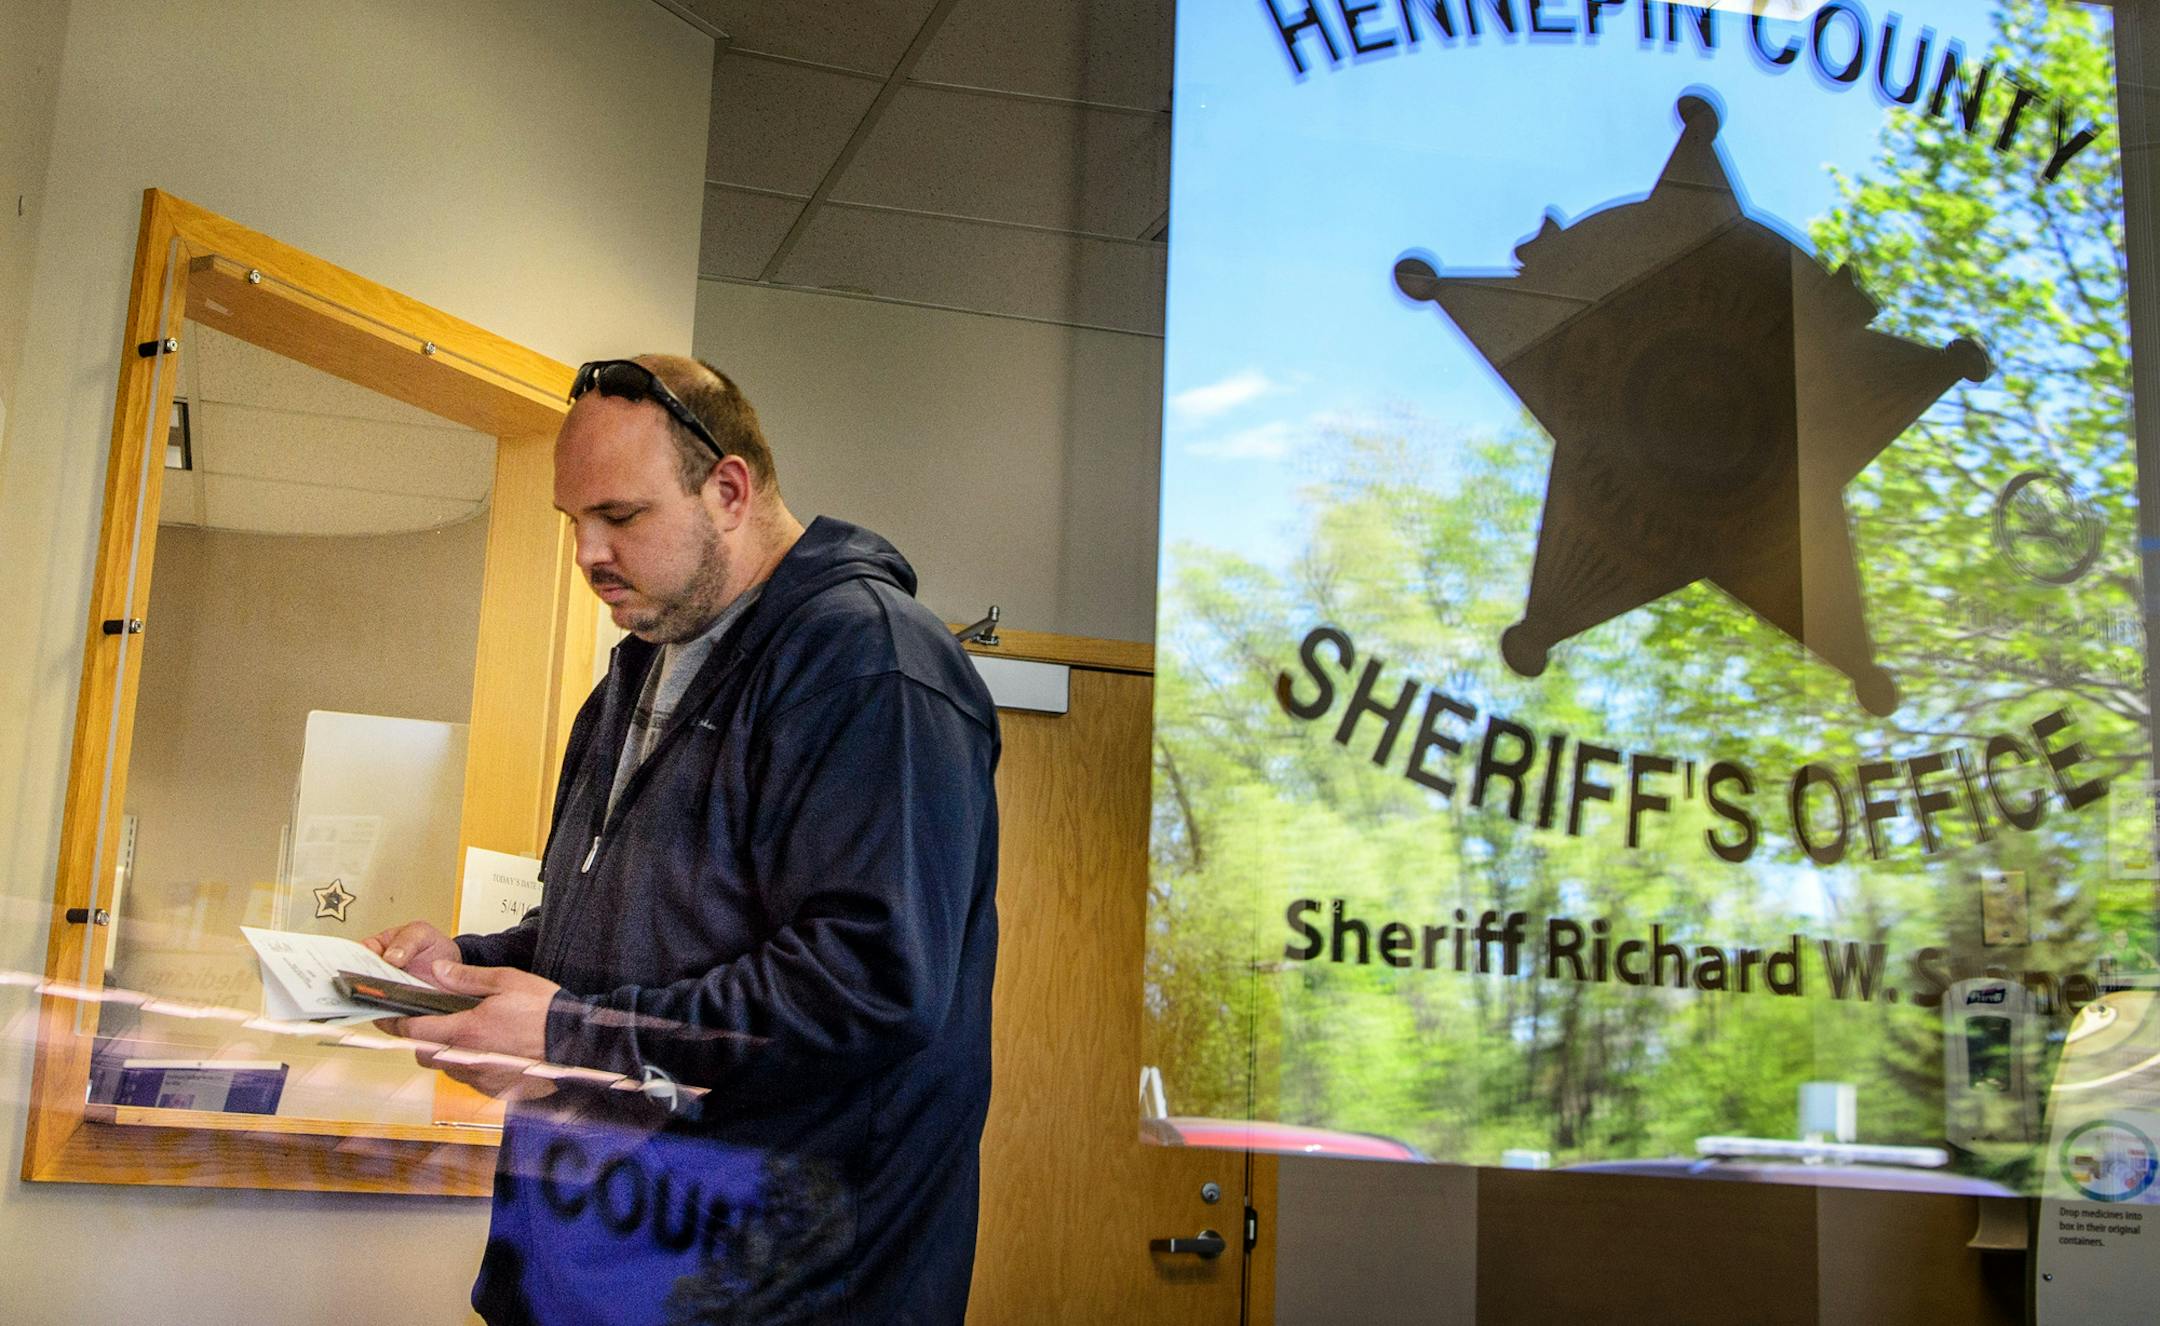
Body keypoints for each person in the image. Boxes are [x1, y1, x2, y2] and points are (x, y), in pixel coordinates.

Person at [367, 356, 1001, 1325]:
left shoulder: (871, 665)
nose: (586, 554)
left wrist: (569, 1040)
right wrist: (470, 966)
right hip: (590, 1274)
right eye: (572, 523)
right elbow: (613, 929)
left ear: (730, 490)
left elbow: (870, 982)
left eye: (618, 518)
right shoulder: (639, 675)